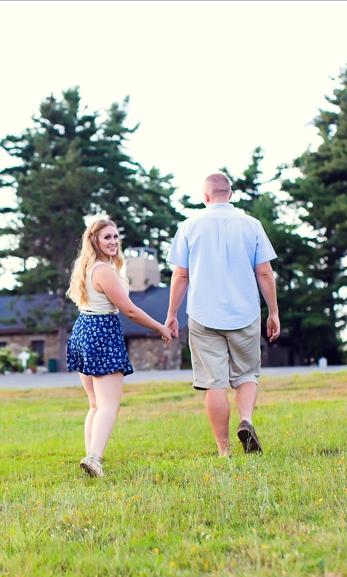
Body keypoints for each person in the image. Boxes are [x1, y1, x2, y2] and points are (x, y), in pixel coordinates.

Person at [165, 173, 280, 456]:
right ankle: (247, 420)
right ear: (230, 194)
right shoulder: (251, 225)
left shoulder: (189, 226)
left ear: (205, 197)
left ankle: (224, 450)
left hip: (204, 315)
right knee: (246, 374)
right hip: (245, 312)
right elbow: (264, 271)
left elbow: (181, 275)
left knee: (213, 382)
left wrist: (171, 314)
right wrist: (274, 312)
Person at [66, 218, 173, 477]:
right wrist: (160, 327)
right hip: (101, 334)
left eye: (115, 236)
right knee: (108, 406)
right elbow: (129, 310)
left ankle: (91, 456)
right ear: (95, 241)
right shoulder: (103, 270)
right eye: (107, 237)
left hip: (84, 331)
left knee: (95, 404)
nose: (113, 241)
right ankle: (93, 458)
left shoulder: (89, 268)